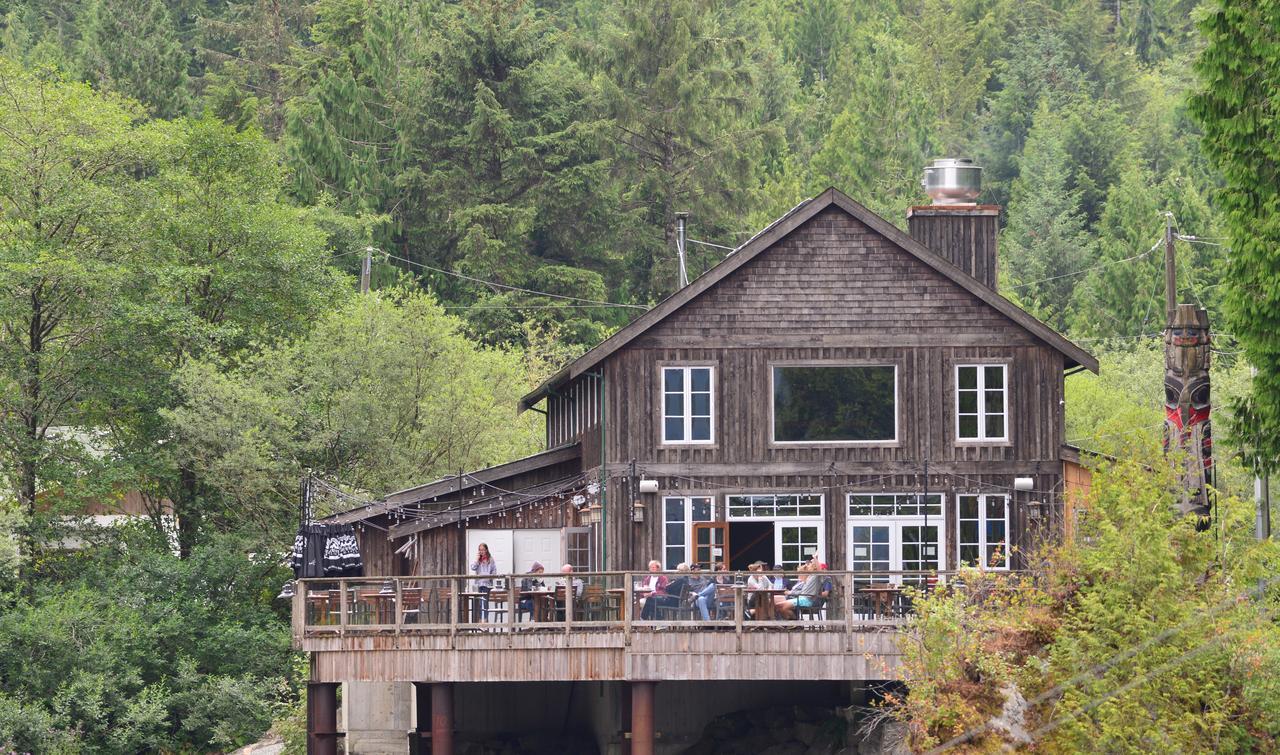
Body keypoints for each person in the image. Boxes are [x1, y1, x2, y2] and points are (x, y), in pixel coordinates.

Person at [470, 543, 497, 621]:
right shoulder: (478, 560)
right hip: (478, 584)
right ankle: (478, 620)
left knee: (485, 602)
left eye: (483, 550)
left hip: (487, 584)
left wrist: (489, 576)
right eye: (480, 550)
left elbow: (494, 571)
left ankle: (485, 620)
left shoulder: (490, 559)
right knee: (478, 602)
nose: (481, 551)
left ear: (486, 550)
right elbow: (473, 568)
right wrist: (476, 560)